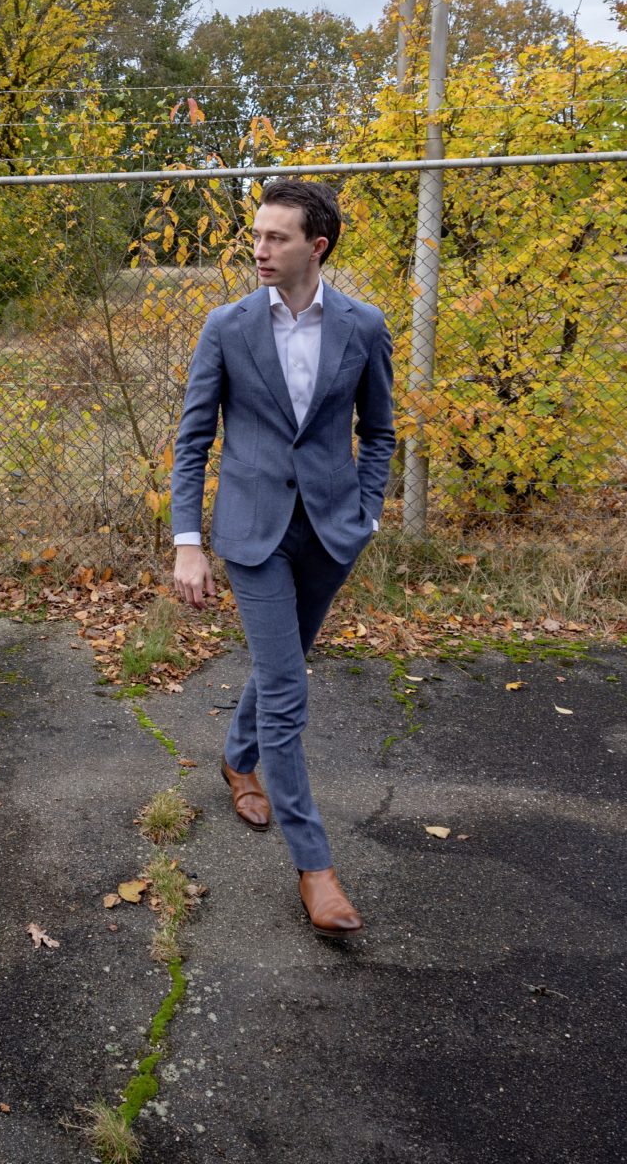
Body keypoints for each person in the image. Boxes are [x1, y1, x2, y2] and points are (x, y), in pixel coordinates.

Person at [168, 177, 395, 940]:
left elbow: (381, 431)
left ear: (316, 246)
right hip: (252, 532)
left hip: (331, 529)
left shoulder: (363, 326)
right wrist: (189, 542)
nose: (259, 249)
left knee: (281, 664)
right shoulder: (227, 327)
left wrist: (365, 511)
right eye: (256, 235)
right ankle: (316, 867)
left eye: (276, 238)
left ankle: (238, 758)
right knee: (290, 693)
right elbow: (194, 439)